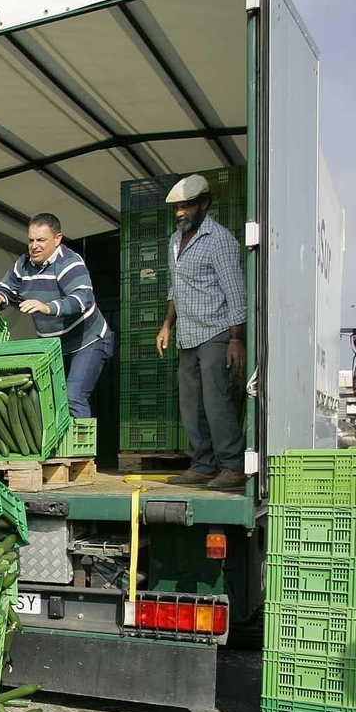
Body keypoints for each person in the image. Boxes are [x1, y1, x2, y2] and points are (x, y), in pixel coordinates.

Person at [156, 174, 248, 492]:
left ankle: (233, 466)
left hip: (216, 332)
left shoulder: (219, 240)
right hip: (188, 334)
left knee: (216, 401)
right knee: (191, 403)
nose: (181, 212)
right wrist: (167, 325)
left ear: (205, 204)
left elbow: (235, 292)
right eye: (177, 207)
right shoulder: (174, 241)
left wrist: (236, 338)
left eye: (187, 206)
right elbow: (176, 288)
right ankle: (203, 464)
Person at [0, 213, 113, 420]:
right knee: (49, 400)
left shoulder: (69, 263)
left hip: (88, 340)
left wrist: (47, 307)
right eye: (31, 240)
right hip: (54, 346)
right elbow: (5, 288)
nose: (34, 246)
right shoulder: (23, 265)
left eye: (41, 240)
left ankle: (81, 442)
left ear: (57, 239)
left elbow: (84, 298)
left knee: (73, 397)